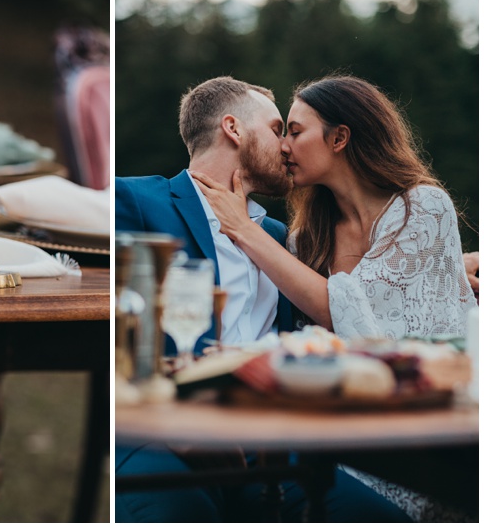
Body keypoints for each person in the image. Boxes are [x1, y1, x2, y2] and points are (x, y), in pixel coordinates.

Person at [114, 76, 411, 522]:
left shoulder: (277, 239)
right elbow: (110, 329)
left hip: (274, 449)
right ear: (233, 129)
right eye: (278, 130)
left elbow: (349, 297)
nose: (288, 147)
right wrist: (177, 424)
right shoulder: (136, 199)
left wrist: (446, 264)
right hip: (164, 439)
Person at [192, 75, 478, 521]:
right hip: (336, 438)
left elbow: (338, 305)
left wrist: (242, 228)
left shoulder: (422, 206)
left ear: (340, 137)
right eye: (281, 131)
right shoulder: (305, 240)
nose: (283, 145)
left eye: (295, 130)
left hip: (428, 432)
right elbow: (363, 297)